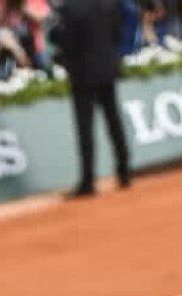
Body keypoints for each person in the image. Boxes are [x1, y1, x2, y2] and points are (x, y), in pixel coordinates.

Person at [56, 0, 130, 198]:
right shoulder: (109, 4)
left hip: (83, 75)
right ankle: (124, 172)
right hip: (106, 68)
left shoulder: (71, 8)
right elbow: (117, 34)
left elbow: (67, 42)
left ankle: (88, 180)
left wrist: (64, 57)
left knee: (85, 129)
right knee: (114, 122)